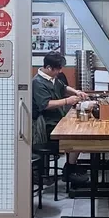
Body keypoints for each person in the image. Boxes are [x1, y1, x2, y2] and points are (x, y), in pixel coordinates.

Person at [32, 52, 88, 181]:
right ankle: (70, 170)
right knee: (77, 137)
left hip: (57, 120)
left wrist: (76, 92)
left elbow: (63, 87)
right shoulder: (37, 83)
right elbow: (46, 104)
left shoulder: (52, 78)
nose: (60, 71)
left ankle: (70, 166)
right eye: (58, 68)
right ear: (49, 67)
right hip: (46, 125)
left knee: (79, 132)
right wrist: (67, 101)